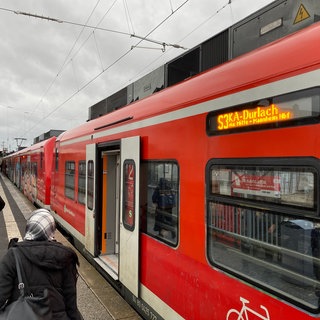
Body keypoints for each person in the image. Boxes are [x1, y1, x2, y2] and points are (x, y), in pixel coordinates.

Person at [0, 208, 82, 320]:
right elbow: (71, 305)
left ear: (28, 228)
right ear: (52, 230)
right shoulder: (65, 257)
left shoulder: (13, 255)